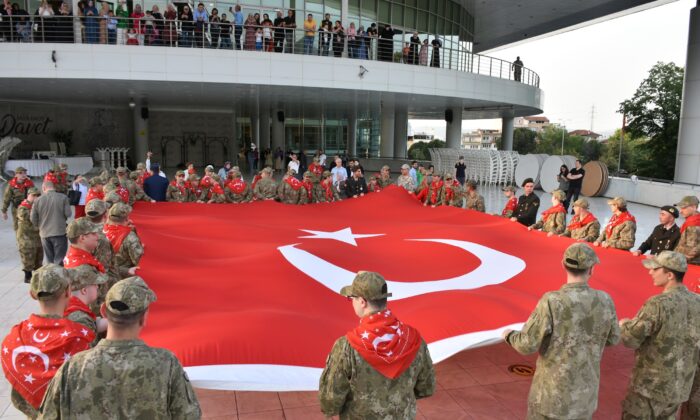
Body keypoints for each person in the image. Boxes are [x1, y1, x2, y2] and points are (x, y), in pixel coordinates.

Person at [39, 277, 202, 419]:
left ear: (103, 311)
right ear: (144, 318)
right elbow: (188, 415)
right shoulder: (166, 364)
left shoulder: (72, 368)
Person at [502, 243, 620, 419]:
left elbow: (527, 345)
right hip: (584, 397)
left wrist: (509, 335)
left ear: (563, 265)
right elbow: (613, 339)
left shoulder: (552, 300)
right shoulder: (605, 300)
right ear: (591, 269)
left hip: (551, 396)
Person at [319, 271, 435, 418]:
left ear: (362, 301)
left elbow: (329, 403)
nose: (352, 302)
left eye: (351, 298)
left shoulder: (346, 347)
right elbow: (426, 388)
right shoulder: (413, 340)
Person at [1, 264, 94, 418]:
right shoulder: (79, 338)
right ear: (68, 292)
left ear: (32, 294)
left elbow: (18, 396)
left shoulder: (14, 338)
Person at [618, 251, 700, 419]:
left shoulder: (658, 304)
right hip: (679, 387)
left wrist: (624, 324)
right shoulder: (697, 301)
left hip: (650, 387)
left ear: (669, 275)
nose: (650, 272)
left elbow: (630, 339)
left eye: (655, 269)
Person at [30, 181, 71, 265]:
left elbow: (33, 218)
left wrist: (40, 226)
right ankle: (59, 276)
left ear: (44, 188)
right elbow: (68, 214)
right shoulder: (63, 197)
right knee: (59, 259)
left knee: (49, 260)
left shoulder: (37, 200)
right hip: (59, 232)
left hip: (45, 234)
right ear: (54, 187)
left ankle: (51, 275)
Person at [104, 203, 143, 280]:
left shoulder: (99, 231)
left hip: (103, 277)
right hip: (123, 278)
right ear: (126, 219)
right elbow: (139, 260)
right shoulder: (130, 237)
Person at [16, 187, 43, 283]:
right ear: (28, 195)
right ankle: (28, 277)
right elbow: (27, 220)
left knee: (38, 257)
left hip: (37, 237)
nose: (36, 198)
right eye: (33, 195)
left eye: (38, 196)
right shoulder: (23, 208)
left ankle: (38, 276)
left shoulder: (37, 206)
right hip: (26, 238)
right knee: (28, 257)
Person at [2, 166, 34, 231]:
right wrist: (4, 211)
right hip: (16, 208)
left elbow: (35, 196)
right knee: (17, 227)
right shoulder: (11, 185)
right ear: (16, 175)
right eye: (20, 173)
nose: (23, 175)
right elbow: (6, 198)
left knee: (29, 226)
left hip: (28, 208)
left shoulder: (30, 184)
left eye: (24, 173)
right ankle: (19, 240)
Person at [674, 195, 699, 265]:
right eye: (680, 208)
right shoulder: (694, 221)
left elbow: (692, 251)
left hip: (687, 265)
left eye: (684, 208)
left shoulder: (693, 224)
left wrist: (672, 259)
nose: (681, 211)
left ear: (694, 207)